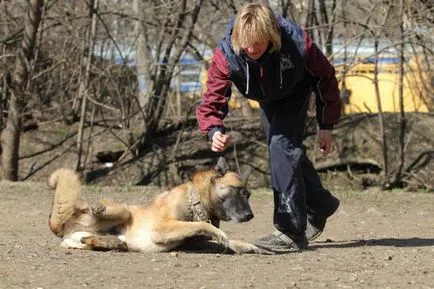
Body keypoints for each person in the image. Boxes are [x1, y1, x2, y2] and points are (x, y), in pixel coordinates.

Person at [195, 2, 341, 251]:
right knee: (284, 152)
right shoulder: (227, 53)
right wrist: (213, 129)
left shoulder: (297, 44)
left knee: (280, 146)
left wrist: (325, 124)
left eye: (259, 44)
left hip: (295, 92)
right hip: (266, 98)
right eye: (246, 44)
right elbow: (213, 96)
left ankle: (291, 230)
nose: (251, 49)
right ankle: (320, 203)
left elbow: (325, 77)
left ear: (272, 37)